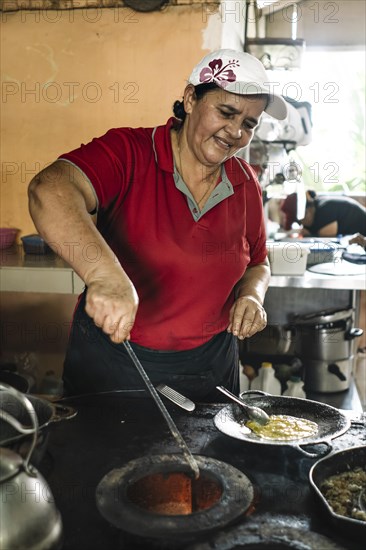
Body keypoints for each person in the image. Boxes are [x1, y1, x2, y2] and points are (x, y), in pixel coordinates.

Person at [28, 49, 287, 400]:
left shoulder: (244, 182)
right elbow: (49, 189)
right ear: (191, 99)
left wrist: (252, 296)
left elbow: (258, 262)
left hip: (210, 366)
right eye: (226, 112)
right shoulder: (130, 153)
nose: (235, 132)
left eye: (248, 124)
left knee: (210, 457)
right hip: (117, 361)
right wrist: (104, 275)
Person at [281, 190, 366, 237]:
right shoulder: (317, 205)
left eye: (302, 220)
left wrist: (311, 233)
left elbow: (328, 235)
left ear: (308, 210)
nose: (303, 223)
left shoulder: (324, 210)